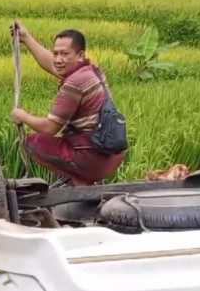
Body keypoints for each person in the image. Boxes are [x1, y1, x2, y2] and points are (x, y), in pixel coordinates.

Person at [10, 22, 126, 185]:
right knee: (68, 139)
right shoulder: (91, 70)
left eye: (64, 54)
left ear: (80, 55)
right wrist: (26, 38)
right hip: (113, 155)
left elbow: (50, 128)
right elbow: (51, 64)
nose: (58, 59)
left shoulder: (74, 83)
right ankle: (81, 179)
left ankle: (81, 180)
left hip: (93, 159)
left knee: (34, 142)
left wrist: (23, 116)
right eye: (55, 53)